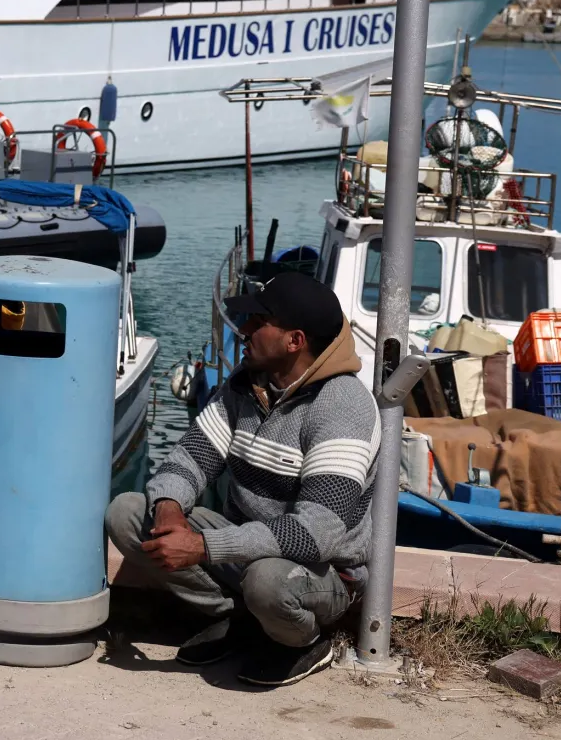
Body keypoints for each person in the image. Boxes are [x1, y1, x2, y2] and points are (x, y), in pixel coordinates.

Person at [106, 272, 380, 687]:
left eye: (258, 322)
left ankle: (302, 643)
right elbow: (189, 459)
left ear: (295, 341)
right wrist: (169, 510)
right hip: (247, 547)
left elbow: (315, 536)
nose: (244, 329)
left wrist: (201, 546)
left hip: (325, 574)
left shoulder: (344, 407)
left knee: (268, 581)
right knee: (128, 513)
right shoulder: (245, 386)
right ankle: (236, 620)